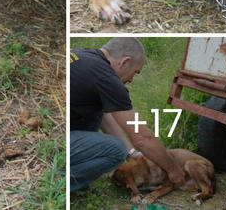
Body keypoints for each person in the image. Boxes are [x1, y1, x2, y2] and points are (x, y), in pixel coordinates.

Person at [70, 37, 185, 192]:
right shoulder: (106, 79)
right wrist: (173, 170)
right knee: (117, 151)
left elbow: (104, 116)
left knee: (98, 112)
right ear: (124, 62)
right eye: (135, 72)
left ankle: (75, 166)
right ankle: (63, 180)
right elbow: (143, 139)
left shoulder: (83, 55)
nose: (131, 79)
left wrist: (131, 152)